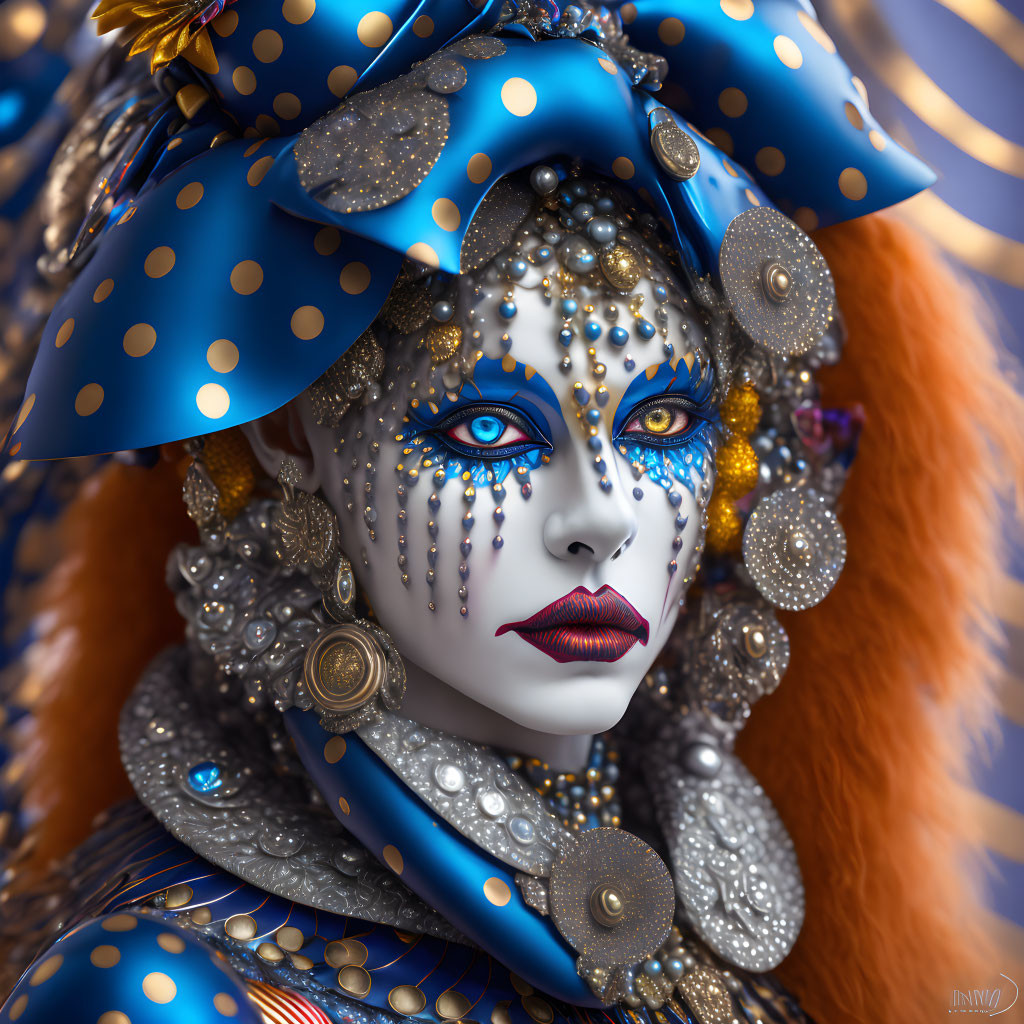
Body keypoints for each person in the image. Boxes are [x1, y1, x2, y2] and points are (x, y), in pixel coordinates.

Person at [0, 3, 1019, 1022]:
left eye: (661, 422)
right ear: (291, 438)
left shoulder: (703, 934)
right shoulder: (169, 991)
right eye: (490, 432)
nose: (601, 519)